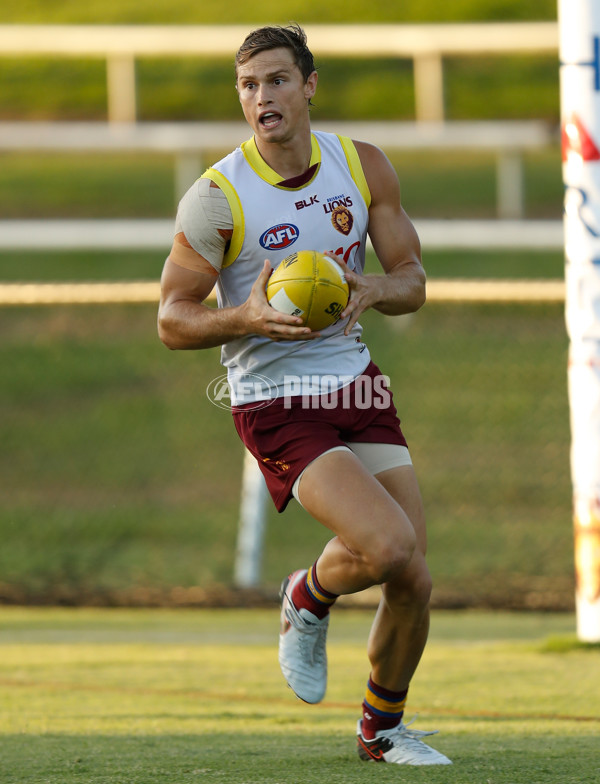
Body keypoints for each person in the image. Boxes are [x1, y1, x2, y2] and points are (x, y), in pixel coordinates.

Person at [158, 23, 451, 766]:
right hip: (274, 397)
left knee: (412, 572)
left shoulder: (361, 165)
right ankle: (308, 596)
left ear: (310, 85)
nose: (263, 97)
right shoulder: (218, 197)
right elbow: (171, 318)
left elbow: (413, 280)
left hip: (353, 377)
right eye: (250, 85)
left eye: (278, 80)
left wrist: (377, 287)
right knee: (385, 544)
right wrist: (243, 316)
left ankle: (381, 732)